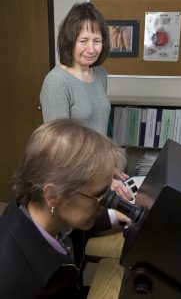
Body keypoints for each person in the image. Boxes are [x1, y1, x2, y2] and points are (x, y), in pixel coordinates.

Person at [0, 119, 130, 299]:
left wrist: (115, 215)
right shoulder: (17, 283)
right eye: (100, 195)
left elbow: (74, 225)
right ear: (53, 195)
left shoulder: (39, 210)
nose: (107, 202)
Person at [40, 2, 130, 199]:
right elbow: (60, 149)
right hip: (73, 178)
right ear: (69, 41)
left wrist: (109, 166)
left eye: (97, 41)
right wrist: (104, 178)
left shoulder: (100, 74)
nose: (91, 49)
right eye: (83, 41)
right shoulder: (56, 81)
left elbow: (97, 131)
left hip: (98, 169)